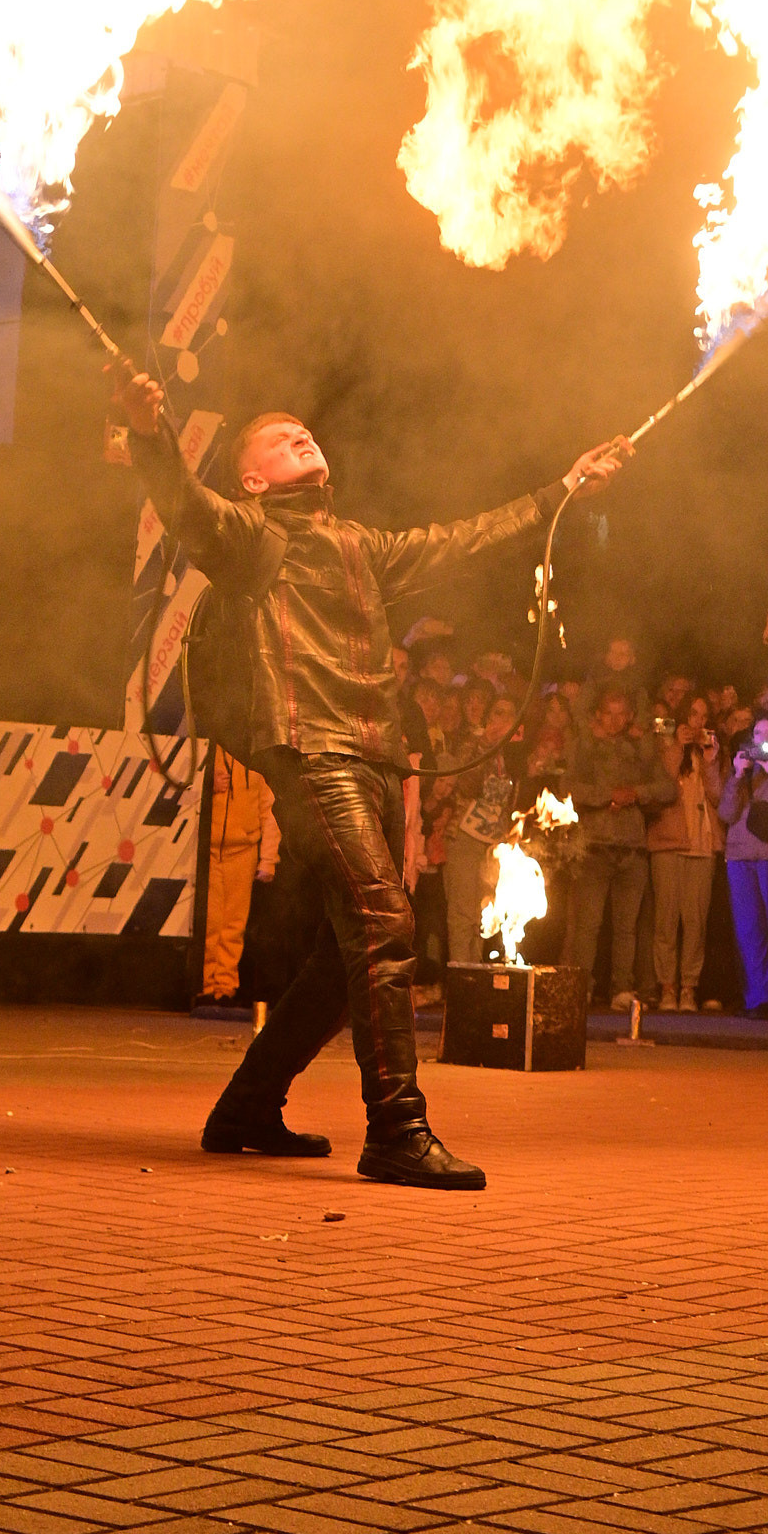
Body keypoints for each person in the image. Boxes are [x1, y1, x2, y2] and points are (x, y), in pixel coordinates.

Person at [115, 361, 629, 1190]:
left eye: (304, 431)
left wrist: (563, 490)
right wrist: (149, 432)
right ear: (253, 481)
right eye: (280, 439)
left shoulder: (361, 546)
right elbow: (182, 501)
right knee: (385, 926)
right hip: (315, 754)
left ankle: (247, 1107)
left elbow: (465, 537)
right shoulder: (250, 538)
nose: (301, 435)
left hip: (379, 759)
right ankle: (397, 1128)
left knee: (342, 955)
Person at [568, 683, 675, 1002]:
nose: (614, 720)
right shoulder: (585, 747)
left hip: (632, 849)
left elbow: (669, 788)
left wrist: (636, 793)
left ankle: (621, 989)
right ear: (598, 715)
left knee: (626, 928)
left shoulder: (642, 750)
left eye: (620, 714)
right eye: (608, 713)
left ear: (629, 716)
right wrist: (608, 795)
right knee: (587, 926)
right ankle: (581, 989)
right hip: (594, 847)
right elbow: (568, 786)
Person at [718, 713, 768, 1011]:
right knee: (748, 930)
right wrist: (738, 775)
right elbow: (726, 813)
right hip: (740, 856)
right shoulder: (743, 769)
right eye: (758, 733)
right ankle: (757, 998)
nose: (764, 739)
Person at [646, 697, 721, 1010]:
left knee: (695, 922)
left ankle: (689, 987)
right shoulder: (664, 746)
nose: (697, 721)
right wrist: (677, 745)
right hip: (669, 842)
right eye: (692, 713)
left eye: (703, 716)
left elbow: (718, 796)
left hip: (703, 845)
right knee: (666, 920)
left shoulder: (712, 753)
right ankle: (667, 987)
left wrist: (712, 760)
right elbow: (662, 784)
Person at [444, 691, 522, 965]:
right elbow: (464, 784)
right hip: (465, 836)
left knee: (484, 914)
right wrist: (484, 746)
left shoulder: (513, 755)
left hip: (494, 843)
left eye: (510, 714)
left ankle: (474, 974)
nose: (504, 720)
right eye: (498, 712)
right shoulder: (471, 744)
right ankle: (460, 973)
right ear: (488, 716)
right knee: (462, 913)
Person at [200, 748, 274, 1005]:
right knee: (209, 921)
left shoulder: (258, 758)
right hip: (207, 850)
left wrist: (268, 859)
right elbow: (180, 788)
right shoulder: (209, 751)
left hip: (243, 851)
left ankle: (225, 986)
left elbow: (269, 810)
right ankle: (206, 984)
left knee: (234, 924)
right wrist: (206, 784)